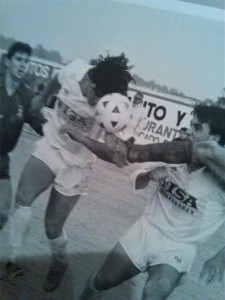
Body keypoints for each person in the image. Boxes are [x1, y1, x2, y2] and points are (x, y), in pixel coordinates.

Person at [6, 53, 134, 292]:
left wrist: (83, 137)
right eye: (99, 98)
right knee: (23, 199)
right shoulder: (75, 70)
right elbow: (56, 78)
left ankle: (59, 262)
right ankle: (13, 260)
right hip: (51, 146)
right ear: (92, 85)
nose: (100, 105)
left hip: (76, 165)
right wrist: (42, 98)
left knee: (52, 228)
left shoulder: (107, 108)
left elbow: (110, 155)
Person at [77, 104, 225, 299]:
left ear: (214, 140)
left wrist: (221, 257)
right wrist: (149, 176)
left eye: (197, 128)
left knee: (154, 292)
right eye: (190, 125)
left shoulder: (221, 181)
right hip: (147, 229)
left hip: (180, 246)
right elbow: (132, 172)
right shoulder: (174, 153)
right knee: (103, 280)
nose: (188, 131)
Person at [0, 41, 46, 230]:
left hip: (1, 160)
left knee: (2, 212)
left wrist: (64, 129)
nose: (22, 65)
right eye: (18, 59)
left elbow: (43, 127)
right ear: (7, 62)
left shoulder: (26, 96)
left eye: (26, 61)